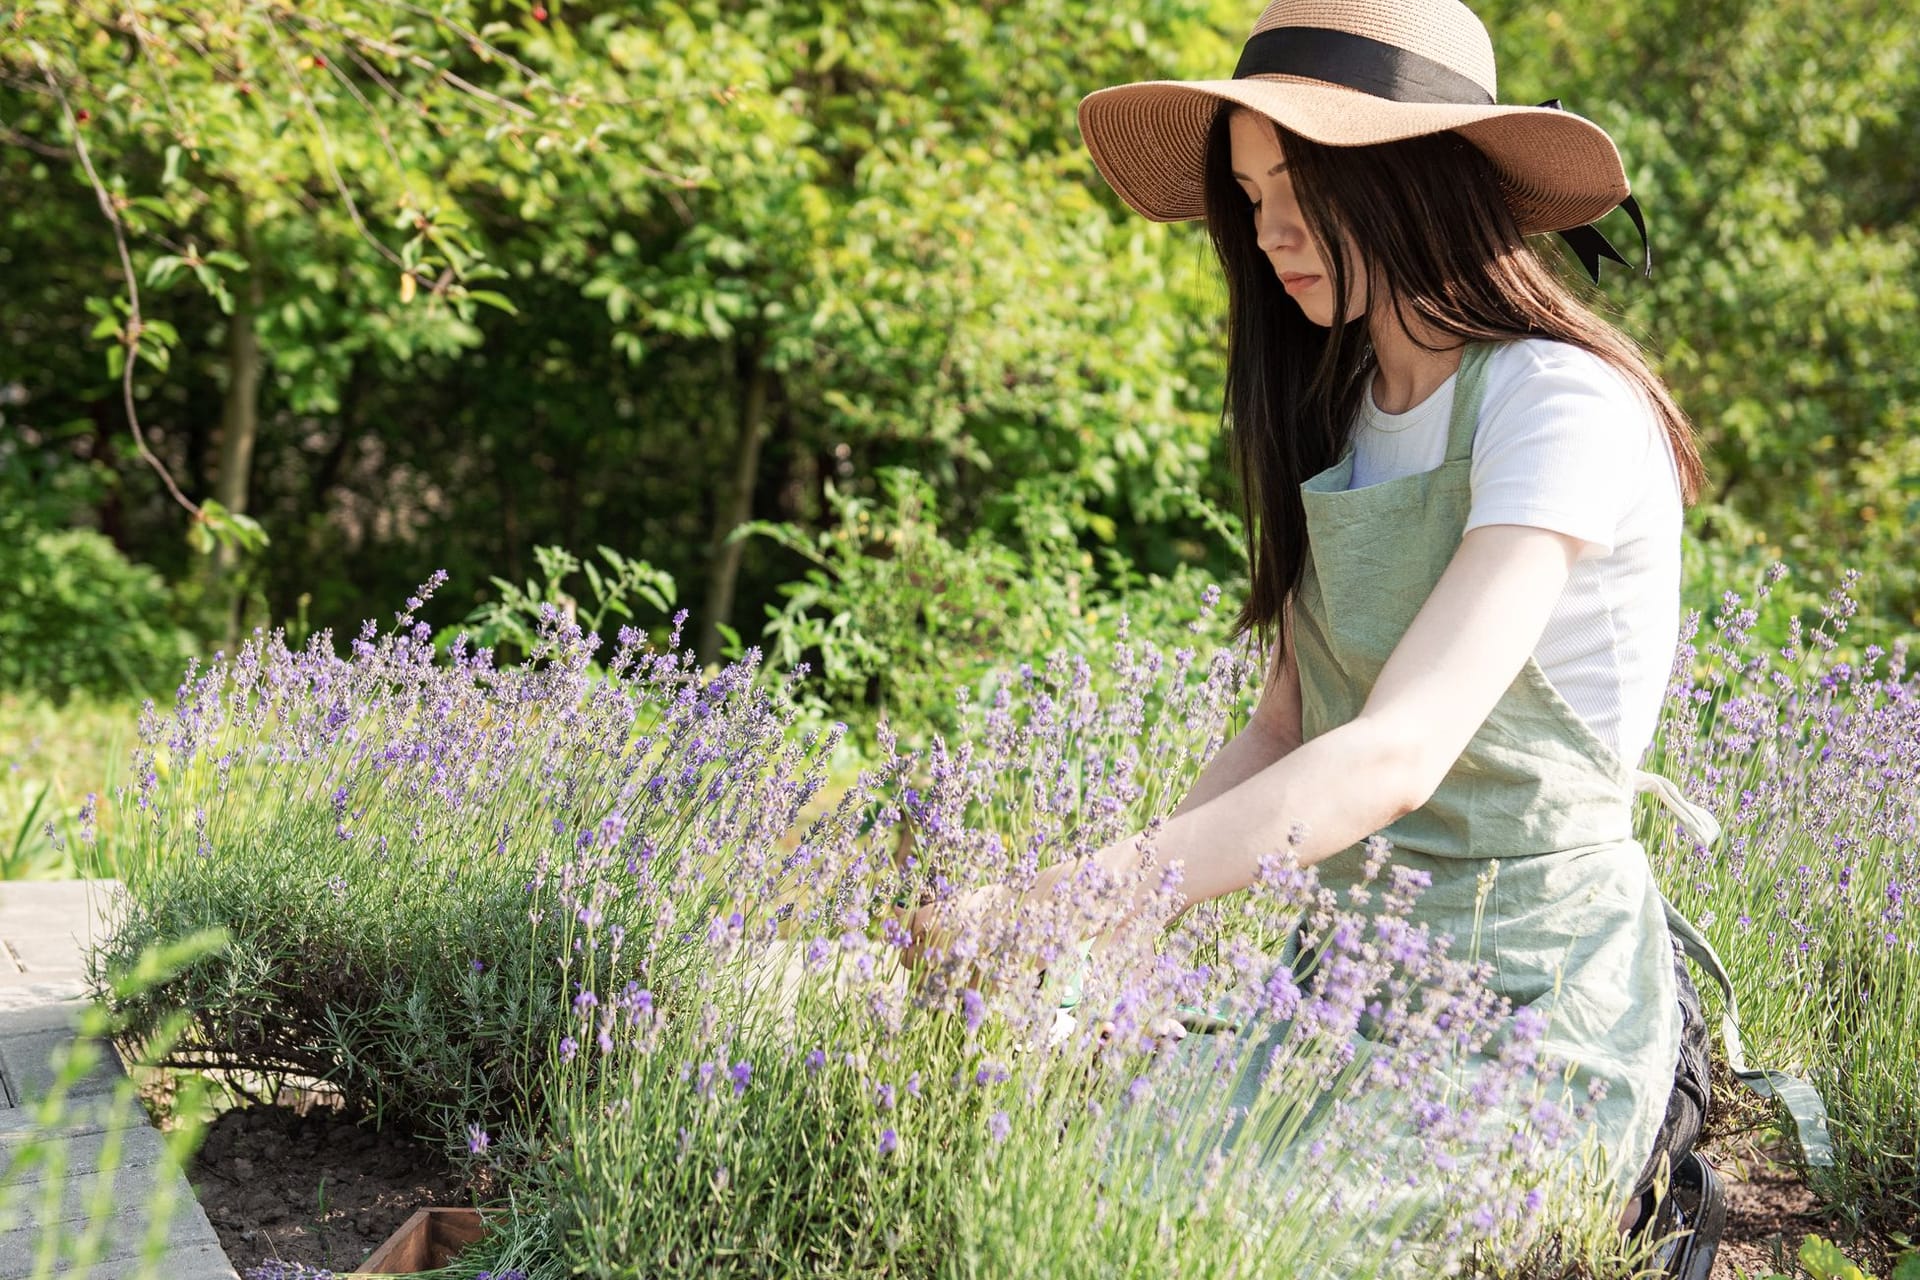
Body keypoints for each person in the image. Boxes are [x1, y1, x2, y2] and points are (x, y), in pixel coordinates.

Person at [909, 0, 1830, 1271]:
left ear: (1412, 177)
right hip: (1346, 993)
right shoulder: (1338, 407)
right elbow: (1286, 726)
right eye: (1249, 196)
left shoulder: (1558, 403)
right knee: (1040, 1184)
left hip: (1537, 1000)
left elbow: (1394, 751)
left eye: (1300, 185)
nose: (1271, 231)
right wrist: (1105, 944)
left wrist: (1067, 903)